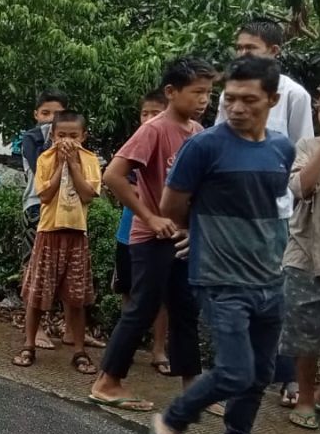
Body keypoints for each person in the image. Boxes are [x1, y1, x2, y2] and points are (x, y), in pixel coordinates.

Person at [149, 57, 296, 434]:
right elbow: (170, 207)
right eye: (229, 98)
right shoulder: (205, 146)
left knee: (258, 374)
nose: (236, 108)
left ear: (271, 100)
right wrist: (206, 230)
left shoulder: (281, 148)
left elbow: (271, 207)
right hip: (220, 278)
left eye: (249, 100)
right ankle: (171, 421)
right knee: (234, 371)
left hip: (271, 279)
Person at [89, 58, 214, 410]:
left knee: (185, 308)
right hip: (150, 237)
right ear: (171, 92)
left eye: (208, 92)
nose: (204, 99)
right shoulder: (155, 129)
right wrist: (150, 216)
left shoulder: (198, 132)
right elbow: (113, 175)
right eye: (197, 92)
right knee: (142, 307)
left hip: (181, 236)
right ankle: (107, 381)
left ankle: (193, 386)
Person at [216, 17, 314, 409]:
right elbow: (219, 145)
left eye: (250, 49)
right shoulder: (230, 94)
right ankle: (229, 375)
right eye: (238, 48)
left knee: (276, 296)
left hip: (277, 213)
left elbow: (300, 150)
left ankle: (286, 376)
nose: (242, 55)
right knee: (233, 295)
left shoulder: (293, 95)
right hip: (233, 212)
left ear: (274, 52)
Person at [12, 111, 103, 374]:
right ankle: (29, 344)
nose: (67, 141)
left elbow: (88, 195)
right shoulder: (45, 159)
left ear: (83, 136)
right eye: (61, 135)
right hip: (48, 233)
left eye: (74, 136)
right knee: (37, 294)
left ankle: (79, 350)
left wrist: (73, 165)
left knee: (76, 298)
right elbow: (44, 195)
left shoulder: (89, 160)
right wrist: (61, 165)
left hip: (76, 234)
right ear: (52, 136)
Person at [279, 85, 320, 430]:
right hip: (307, 253)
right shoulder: (308, 146)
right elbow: (300, 188)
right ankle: (306, 398)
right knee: (306, 332)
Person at [111, 91, 171, 375]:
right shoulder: (134, 147)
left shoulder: (169, 143)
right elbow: (115, 180)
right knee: (129, 290)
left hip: (160, 232)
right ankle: (127, 347)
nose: (148, 119)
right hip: (129, 231)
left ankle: (159, 349)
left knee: (160, 295)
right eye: (144, 113)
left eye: (155, 113)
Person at [18, 89, 68, 350]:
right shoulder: (32, 138)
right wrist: (56, 146)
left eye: (57, 114)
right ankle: (35, 330)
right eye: (46, 113)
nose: (51, 119)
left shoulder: (71, 137)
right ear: (36, 114)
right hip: (37, 207)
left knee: (68, 270)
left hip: (69, 210)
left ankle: (71, 330)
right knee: (35, 269)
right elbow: (42, 173)